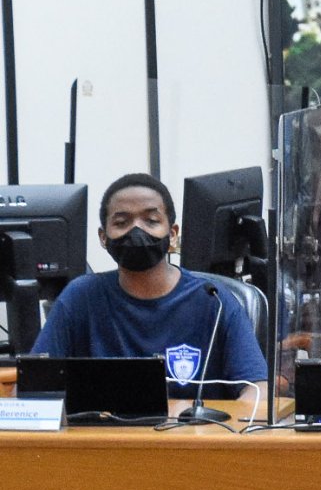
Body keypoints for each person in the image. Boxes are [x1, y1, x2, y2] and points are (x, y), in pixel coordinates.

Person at [31, 173, 266, 415]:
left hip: (192, 444)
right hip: (105, 443)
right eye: (122, 223)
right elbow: (34, 387)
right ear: (103, 237)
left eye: (151, 221)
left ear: (172, 234)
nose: (136, 230)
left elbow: (257, 392)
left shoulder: (213, 298)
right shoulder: (80, 297)